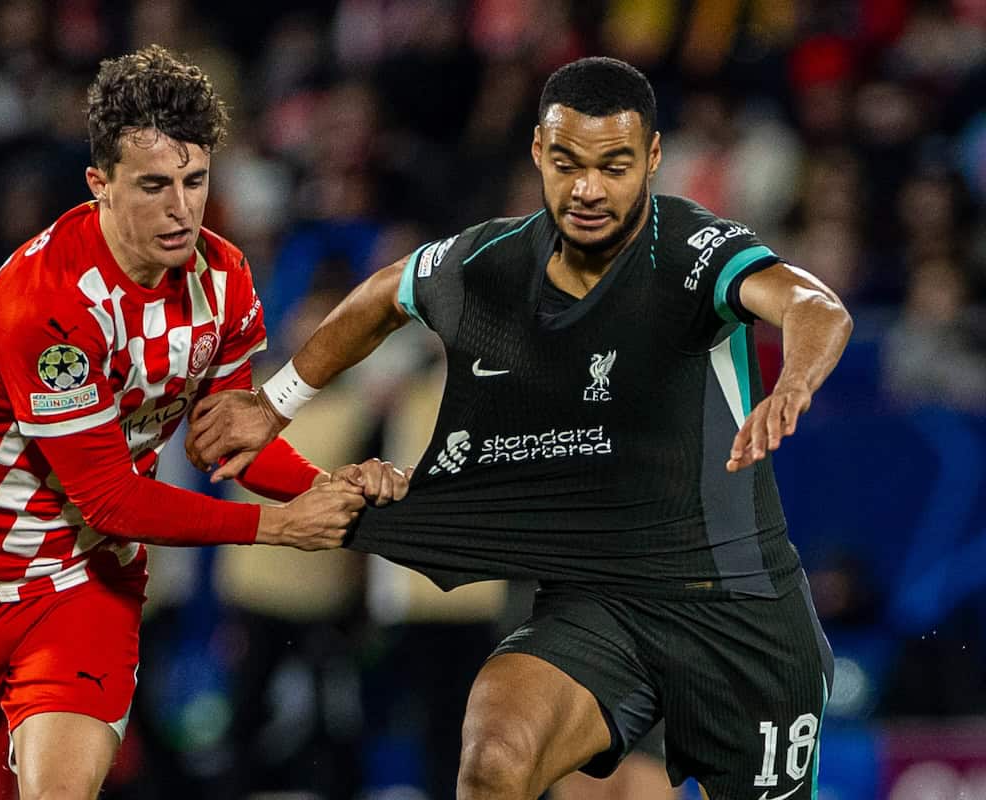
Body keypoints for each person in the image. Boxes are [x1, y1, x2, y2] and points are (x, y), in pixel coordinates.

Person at [187, 56, 852, 799]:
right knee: (493, 758)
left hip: (739, 612)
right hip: (600, 609)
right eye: (567, 163)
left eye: (615, 165)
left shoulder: (696, 251)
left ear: (654, 159)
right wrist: (274, 403)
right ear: (539, 150)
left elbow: (815, 306)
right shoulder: (491, 262)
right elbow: (382, 296)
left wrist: (793, 380)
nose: (588, 189)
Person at [0, 45, 409, 800]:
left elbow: (232, 446)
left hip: (83, 575)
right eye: (154, 185)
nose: (181, 208)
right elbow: (111, 496)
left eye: (195, 182)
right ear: (99, 184)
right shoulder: (49, 302)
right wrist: (283, 527)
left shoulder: (223, 279)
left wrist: (331, 489)